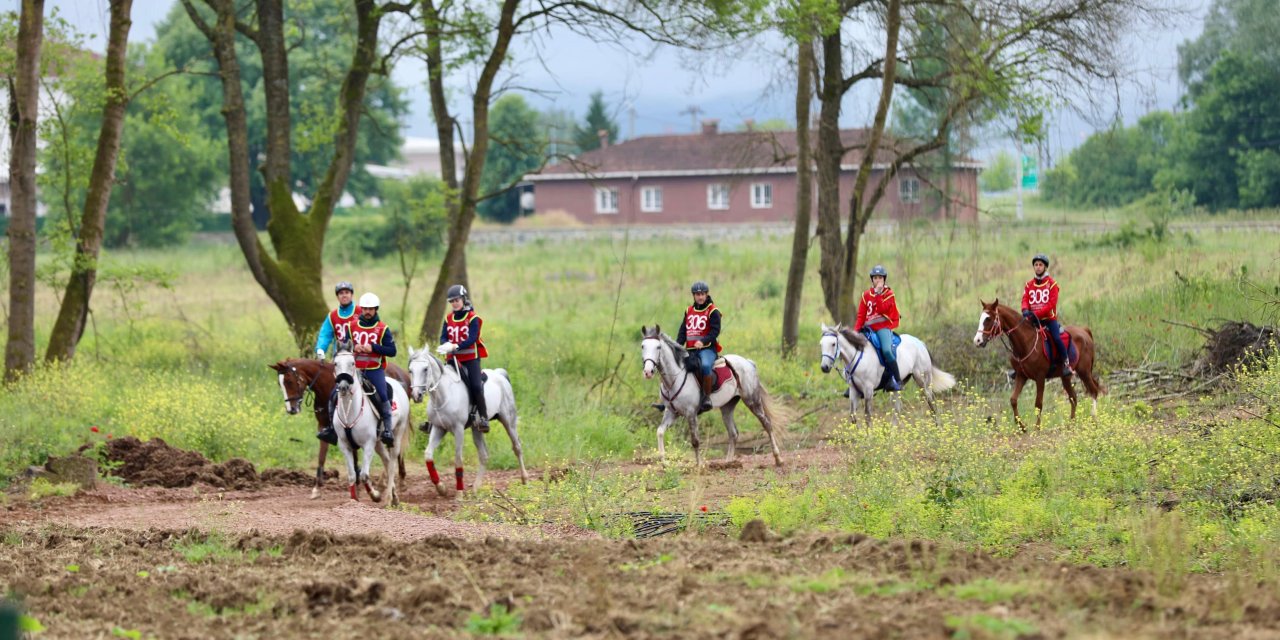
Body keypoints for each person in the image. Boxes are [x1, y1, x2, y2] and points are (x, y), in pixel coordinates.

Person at [437, 284, 490, 433]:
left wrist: (456, 347)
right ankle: (434, 418)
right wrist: (445, 345)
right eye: (452, 301)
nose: (454, 303)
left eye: (457, 300)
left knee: (475, 386)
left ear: (464, 299)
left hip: (470, 358)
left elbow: (473, 338)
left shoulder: (473, 318)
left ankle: (484, 417)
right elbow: (443, 336)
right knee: (438, 382)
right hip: (452, 359)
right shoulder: (448, 319)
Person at [347, 292, 398, 446]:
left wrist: (373, 348)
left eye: (370, 309)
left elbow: (392, 351)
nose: (367, 312)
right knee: (335, 390)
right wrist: (353, 347)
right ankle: (331, 427)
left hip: (374, 369)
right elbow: (341, 346)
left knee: (383, 393)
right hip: (354, 369)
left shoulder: (382, 328)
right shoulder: (352, 326)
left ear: (376, 309)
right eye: (364, 309)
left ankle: (387, 429)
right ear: (361, 309)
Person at [314, 281, 359, 444]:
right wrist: (321, 349)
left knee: (372, 389)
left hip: (359, 359)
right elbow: (325, 335)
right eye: (341, 293)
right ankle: (332, 429)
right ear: (338, 296)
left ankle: (384, 424)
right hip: (340, 362)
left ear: (351, 294)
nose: (344, 295)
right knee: (333, 394)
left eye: (347, 292)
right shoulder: (332, 316)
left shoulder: (361, 311)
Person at [853, 265, 903, 391]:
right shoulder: (865, 295)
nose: (878, 280)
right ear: (872, 279)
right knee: (854, 350)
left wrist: (878, 294)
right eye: (875, 278)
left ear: (884, 279)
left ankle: (896, 380)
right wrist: (856, 331)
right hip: (867, 329)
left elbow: (882, 309)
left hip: (882, 328)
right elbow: (861, 315)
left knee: (886, 350)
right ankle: (853, 383)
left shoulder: (889, 294)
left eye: (880, 278)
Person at [1022, 253, 1072, 376]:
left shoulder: (1052, 284)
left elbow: (1051, 304)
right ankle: (1019, 366)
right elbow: (1025, 299)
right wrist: (1024, 310)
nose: (1038, 267)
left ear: (1045, 267)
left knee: (1056, 338)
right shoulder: (1029, 285)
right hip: (1033, 320)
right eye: (1036, 265)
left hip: (1049, 320)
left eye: (1040, 265)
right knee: (1020, 337)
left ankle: (1065, 363)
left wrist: (1035, 314)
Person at [677, 280, 722, 412]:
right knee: (673, 366)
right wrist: (677, 345)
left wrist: (703, 341)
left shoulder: (713, 311)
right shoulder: (689, 311)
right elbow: (683, 331)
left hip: (707, 349)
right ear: (693, 296)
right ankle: (671, 400)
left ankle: (706, 397)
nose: (700, 297)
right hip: (690, 350)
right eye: (697, 294)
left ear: (707, 294)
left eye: (702, 294)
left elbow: (715, 331)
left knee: (706, 366)